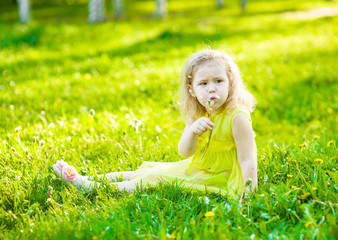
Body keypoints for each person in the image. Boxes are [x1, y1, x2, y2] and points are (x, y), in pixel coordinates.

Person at [53, 49, 257, 198]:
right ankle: (90, 178)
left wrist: (248, 193)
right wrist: (192, 131)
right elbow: (185, 152)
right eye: (203, 83)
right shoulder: (198, 112)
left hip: (222, 175)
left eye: (218, 81)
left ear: (230, 84)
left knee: (153, 179)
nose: (212, 89)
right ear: (192, 90)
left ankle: (90, 188)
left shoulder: (236, 117)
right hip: (199, 167)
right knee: (145, 171)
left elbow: (248, 159)